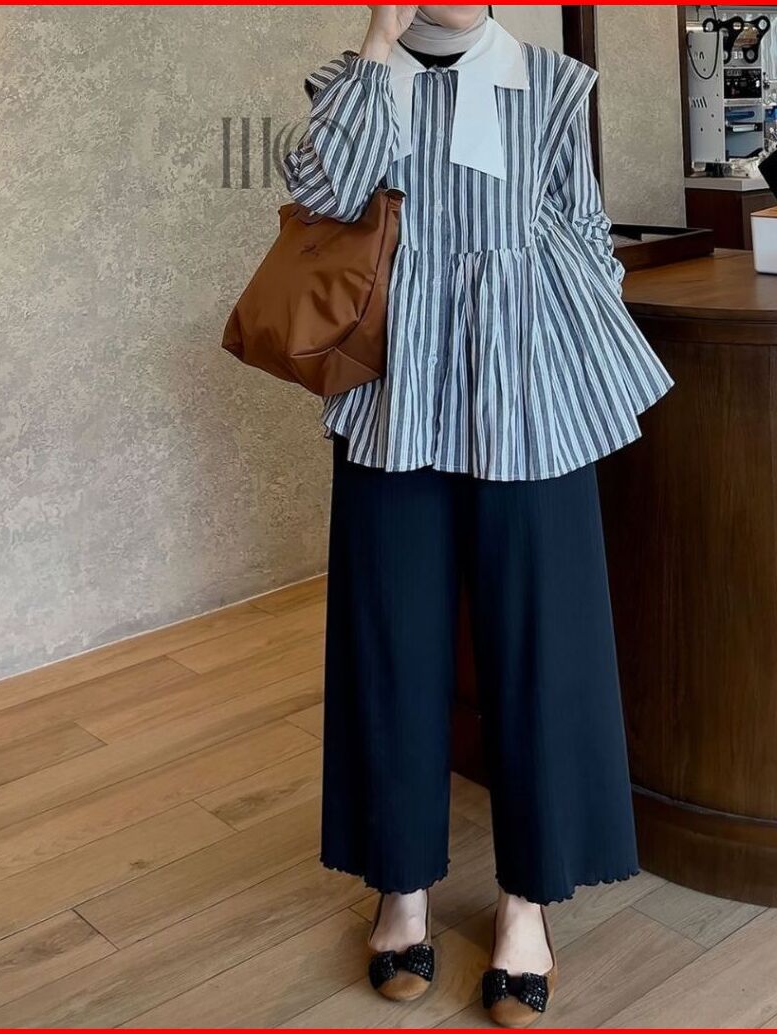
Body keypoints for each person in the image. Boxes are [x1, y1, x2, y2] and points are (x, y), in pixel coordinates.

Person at [282, 5, 673, 1026]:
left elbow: (585, 233)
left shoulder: (551, 85)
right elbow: (321, 197)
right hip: (392, 394)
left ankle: (527, 903)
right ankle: (399, 887)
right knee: (390, 640)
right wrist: (378, 42)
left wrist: (564, 347)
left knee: (541, 646)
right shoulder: (350, 81)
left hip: (527, 393)